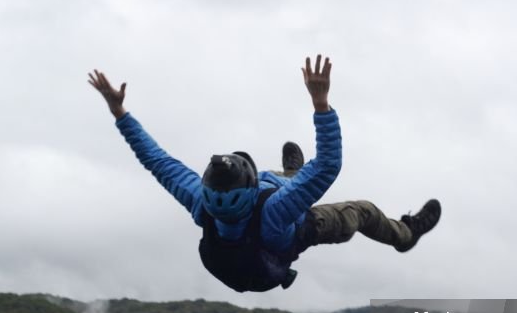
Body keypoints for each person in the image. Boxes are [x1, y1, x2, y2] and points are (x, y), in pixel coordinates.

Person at [88, 55, 441, 292]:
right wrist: (321, 103)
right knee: (360, 211)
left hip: (247, 245)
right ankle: (405, 235)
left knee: (284, 182)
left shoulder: (203, 204)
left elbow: (157, 161)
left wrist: (119, 112)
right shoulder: (276, 210)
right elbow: (329, 164)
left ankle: (291, 173)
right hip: (295, 228)